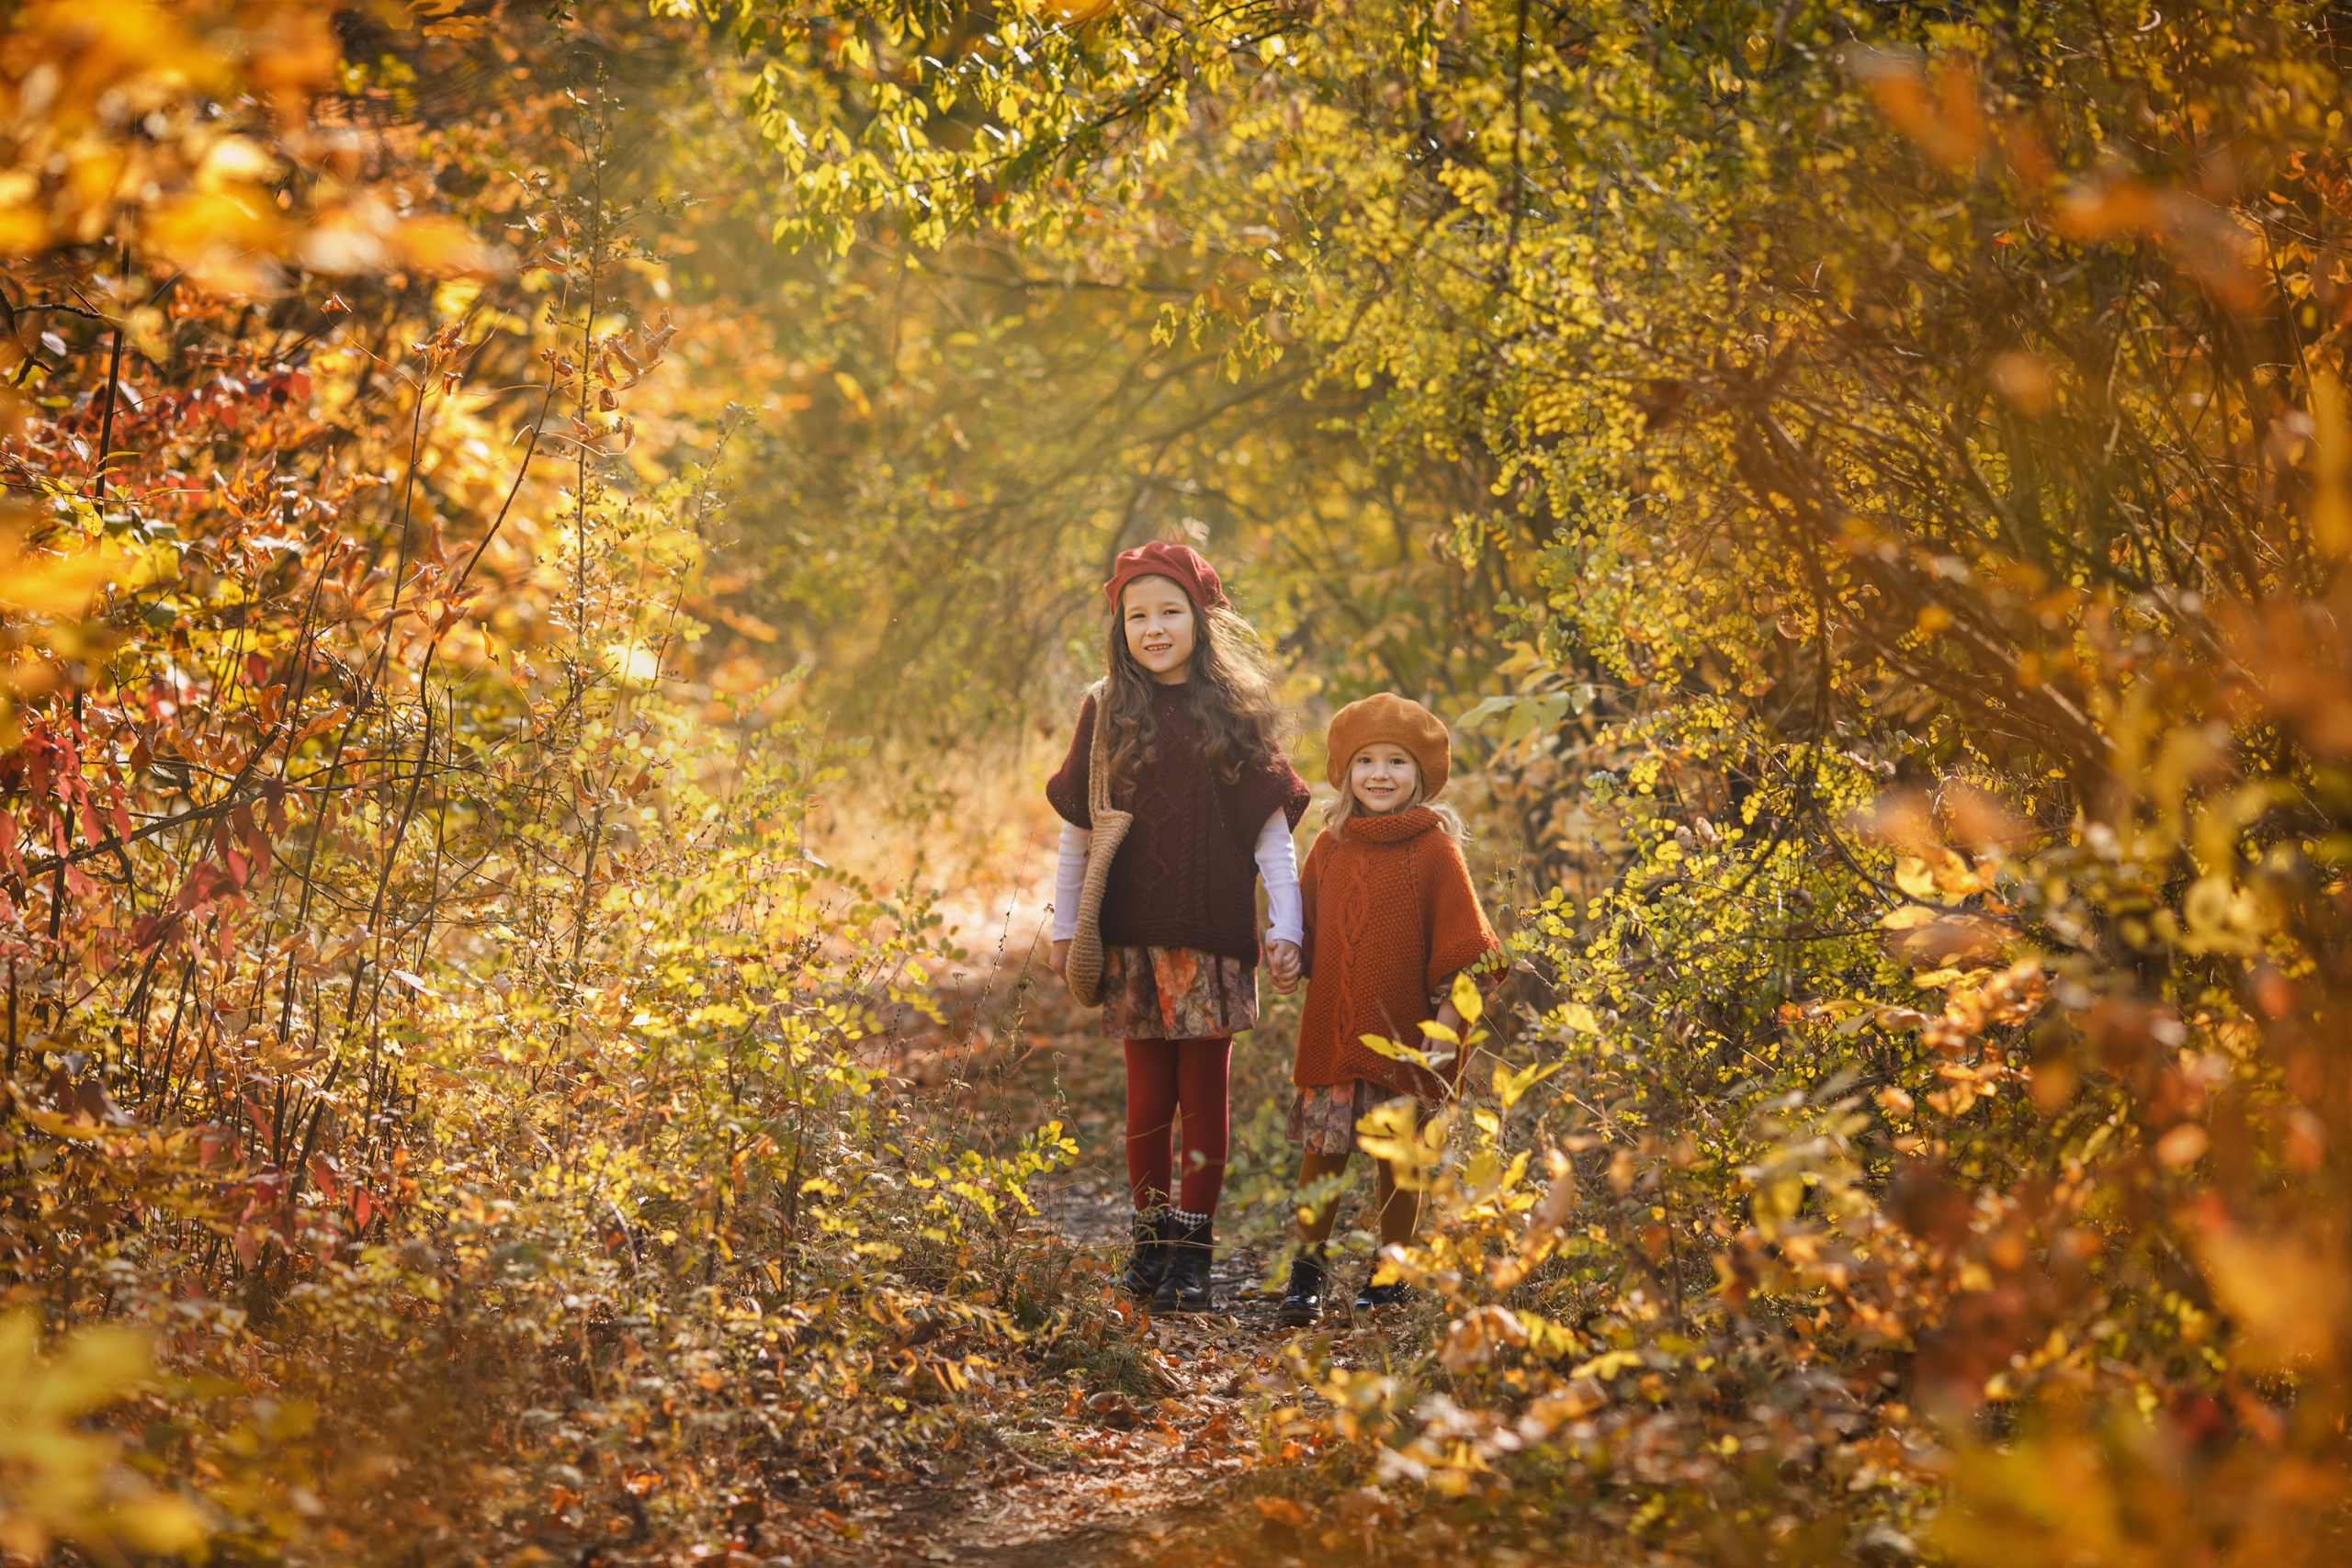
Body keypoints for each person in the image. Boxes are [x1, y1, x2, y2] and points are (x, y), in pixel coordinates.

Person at [1046, 541, 1310, 1313]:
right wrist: (1066, 926)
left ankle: (1192, 1254)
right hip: (1130, 937)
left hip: (1210, 936)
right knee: (1145, 1098)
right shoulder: (1105, 709)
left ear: (1201, 618)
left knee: (1203, 1095)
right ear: (1120, 627)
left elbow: (1271, 835)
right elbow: (1078, 829)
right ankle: (1149, 1242)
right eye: (1138, 616)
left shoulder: (1234, 712)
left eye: (1170, 612)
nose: (1154, 628)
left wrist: (1287, 925)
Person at [1276, 693, 1506, 1324]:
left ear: (1420, 774)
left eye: (1397, 761)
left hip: (1407, 1036)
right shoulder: (1330, 846)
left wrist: (1449, 1024)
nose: (1380, 774)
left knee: (1399, 1155)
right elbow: (1308, 931)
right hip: (1337, 1033)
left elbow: (1469, 950)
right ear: (1345, 771)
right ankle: (1307, 1270)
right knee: (1323, 1150)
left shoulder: (1434, 851)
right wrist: (1289, 954)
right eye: (1366, 760)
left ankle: (1391, 1271)